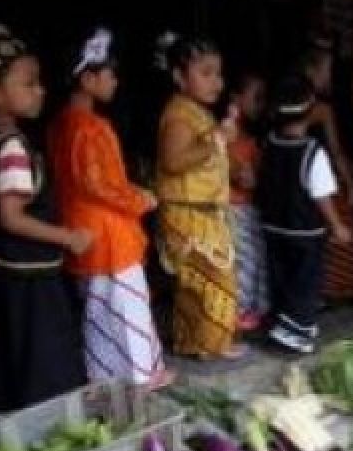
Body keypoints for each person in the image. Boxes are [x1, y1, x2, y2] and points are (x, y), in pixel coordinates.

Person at [0, 25, 88, 412]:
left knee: (8, 359)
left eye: (40, 82)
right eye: (28, 83)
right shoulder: (11, 146)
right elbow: (11, 218)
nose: (40, 90)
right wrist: (67, 237)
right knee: (45, 361)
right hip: (29, 274)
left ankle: (11, 424)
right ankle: (52, 428)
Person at [47, 27, 173, 389]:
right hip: (108, 232)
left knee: (98, 311)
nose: (115, 80)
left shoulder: (59, 124)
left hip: (80, 227)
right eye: (110, 73)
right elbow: (100, 185)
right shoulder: (91, 127)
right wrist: (141, 198)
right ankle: (142, 376)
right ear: (87, 79)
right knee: (126, 306)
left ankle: (105, 376)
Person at [154, 34, 244, 360]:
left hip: (202, 212)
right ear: (179, 76)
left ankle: (197, 343)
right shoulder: (179, 114)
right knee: (210, 280)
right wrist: (218, 138)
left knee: (200, 283)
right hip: (188, 213)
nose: (216, 82)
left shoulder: (195, 111)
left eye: (218, 73)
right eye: (205, 73)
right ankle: (207, 345)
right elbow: (173, 161)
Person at [258, 75, 352, 354]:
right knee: (306, 281)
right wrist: (337, 225)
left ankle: (281, 324)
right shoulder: (313, 152)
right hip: (305, 232)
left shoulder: (270, 143)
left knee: (281, 278)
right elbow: (321, 195)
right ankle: (296, 332)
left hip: (274, 227)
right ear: (311, 113)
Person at [299, 37, 353, 302]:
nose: (329, 76)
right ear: (311, 72)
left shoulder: (284, 107)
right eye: (326, 70)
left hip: (295, 181)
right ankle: (346, 285)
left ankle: (326, 285)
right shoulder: (321, 110)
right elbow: (337, 151)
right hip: (322, 178)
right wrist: (351, 184)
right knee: (342, 227)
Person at [223, 69, 270, 331]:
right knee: (242, 262)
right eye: (256, 97)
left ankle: (250, 311)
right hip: (234, 207)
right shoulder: (227, 137)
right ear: (236, 98)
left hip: (248, 206)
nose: (261, 105)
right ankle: (239, 314)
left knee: (253, 260)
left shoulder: (250, 139)